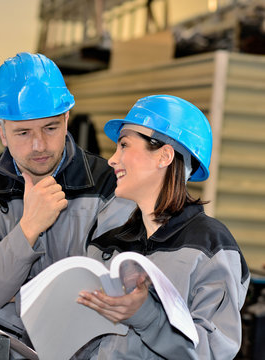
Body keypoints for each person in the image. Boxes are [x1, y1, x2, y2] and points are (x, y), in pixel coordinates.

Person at [0, 52, 135, 343]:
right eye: (23, 132)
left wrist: (16, 294)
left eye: (50, 128)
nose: (39, 145)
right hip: (2, 348)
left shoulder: (109, 185)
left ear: (66, 119)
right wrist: (28, 229)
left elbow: (112, 296)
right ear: (2, 133)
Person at [76, 95, 250, 359]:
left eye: (124, 145)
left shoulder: (210, 245)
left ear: (164, 156)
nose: (112, 159)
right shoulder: (106, 245)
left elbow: (213, 352)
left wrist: (146, 316)